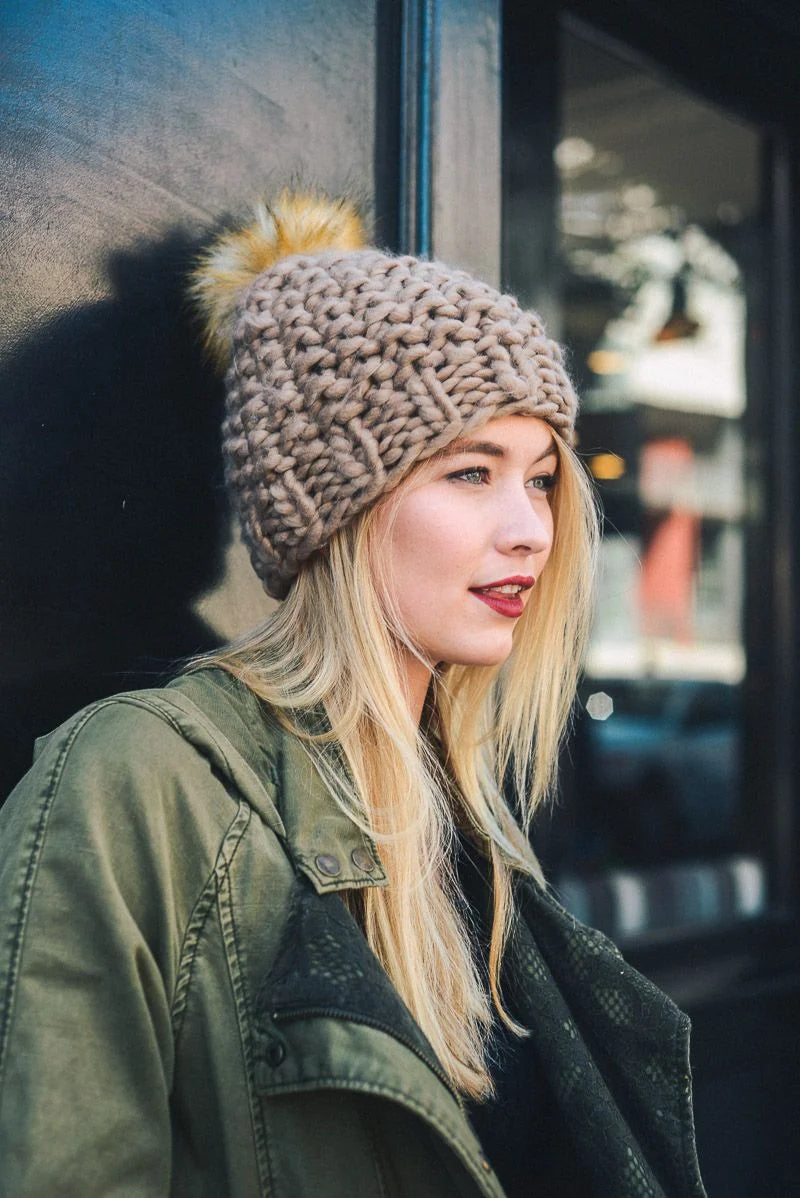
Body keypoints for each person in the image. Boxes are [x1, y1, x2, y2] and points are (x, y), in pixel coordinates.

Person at [0, 190, 706, 1196]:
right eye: (470, 472)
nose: (529, 531)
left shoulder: (470, 815)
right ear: (336, 505)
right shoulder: (131, 781)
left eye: (541, 477)